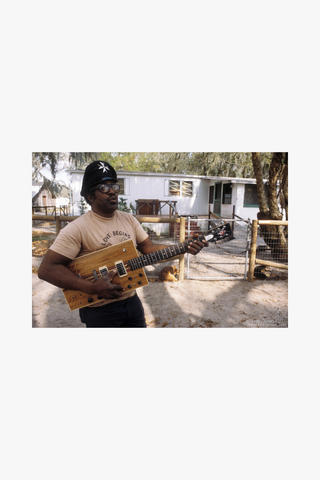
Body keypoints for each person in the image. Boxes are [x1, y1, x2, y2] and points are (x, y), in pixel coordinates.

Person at [38, 161, 208, 328]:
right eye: (104, 187)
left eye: (114, 186)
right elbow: (47, 269)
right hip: (99, 312)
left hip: (131, 302)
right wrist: (90, 287)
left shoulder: (129, 219)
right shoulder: (77, 228)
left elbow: (149, 249)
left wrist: (184, 247)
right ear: (90, 196)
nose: (112, 191)